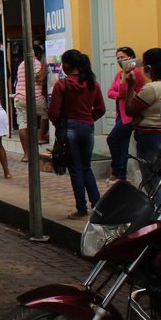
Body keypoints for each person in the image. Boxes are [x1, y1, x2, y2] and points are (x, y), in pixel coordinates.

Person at [48, 49, 106, 220]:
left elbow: (53, 112)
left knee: (75, 169)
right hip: (88, 128)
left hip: (69, 127)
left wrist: (60, 124)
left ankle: (81, 208)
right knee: (86, 167)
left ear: (66, 65)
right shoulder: (92, 84)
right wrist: (88, 119)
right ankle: (97, 205)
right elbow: (101, 109)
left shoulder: (62, 85)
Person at [123, 47, 161, 215]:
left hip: (150, 139)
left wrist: (131, 85)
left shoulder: (152, 88)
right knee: (156, 182)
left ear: (149, 68)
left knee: (152, 184)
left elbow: (130, 110)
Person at [106, 47, 146, 183]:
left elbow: (123, 92)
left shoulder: (134, 73)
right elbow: (110, 92)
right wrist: (119, 96)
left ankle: (116, 170)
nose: (119, 60)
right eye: (117, 58)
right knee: (122, 144)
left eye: (122, 57)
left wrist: (119, 94)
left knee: (112, 139)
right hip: (120, 113)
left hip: (129, 115)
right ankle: (119, 174)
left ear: (130, 57)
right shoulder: (119, 74)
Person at [13, 44, 47, 163]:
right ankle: (41, 136)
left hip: (20, 99)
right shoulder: (36, 62)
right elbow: (40, 77)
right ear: (38, 55)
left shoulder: (21, 64)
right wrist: (45, 64)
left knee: (23, 125)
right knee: (47, 114)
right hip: (35, 99)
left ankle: (26, 155)